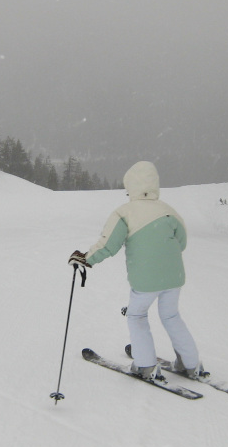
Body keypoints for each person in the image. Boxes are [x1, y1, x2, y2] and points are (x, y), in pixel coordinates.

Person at [68, 160, 204, 380]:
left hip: (146, 280)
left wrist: (85, 259)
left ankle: (145, 365)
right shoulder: (169, 211)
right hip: (174, 277)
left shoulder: (124, 213)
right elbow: (182, 242)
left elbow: (108, 245)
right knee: (171, 316)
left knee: (137, 315)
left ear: (130, 186)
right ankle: (190, 364)